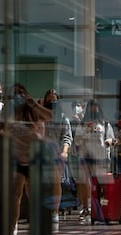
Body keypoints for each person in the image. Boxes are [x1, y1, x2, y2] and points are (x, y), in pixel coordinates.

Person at [9, 83, 52, 235]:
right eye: (14, 94)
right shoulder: (11, 113)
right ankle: (13, 226)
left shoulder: (35, 111)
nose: (18, 97)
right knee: (15, 194)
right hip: (17, 158)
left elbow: (49, 116)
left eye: (20, 93)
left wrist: (32, 103)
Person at [74, 99, 115, 218]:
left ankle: (101, 206)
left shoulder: (105, 124)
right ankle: (86, 207)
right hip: (85, 157)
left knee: (101, 183)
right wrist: (85, 133)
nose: (93, 109)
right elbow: (76, 140)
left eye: (95, 107)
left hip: (100, 158)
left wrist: (109, 142)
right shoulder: (82, 124)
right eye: (91, 107)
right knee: (84, 181)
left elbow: (112, 139)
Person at [40, 88, 72, 222]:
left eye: (54, 100)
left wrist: (64, 152)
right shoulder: (40, 117)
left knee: (55, 183)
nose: (52, 102)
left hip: (56, 155)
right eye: (49, 99)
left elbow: (67, 137)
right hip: (41, 154)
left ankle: (55, 211)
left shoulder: (63, 119)